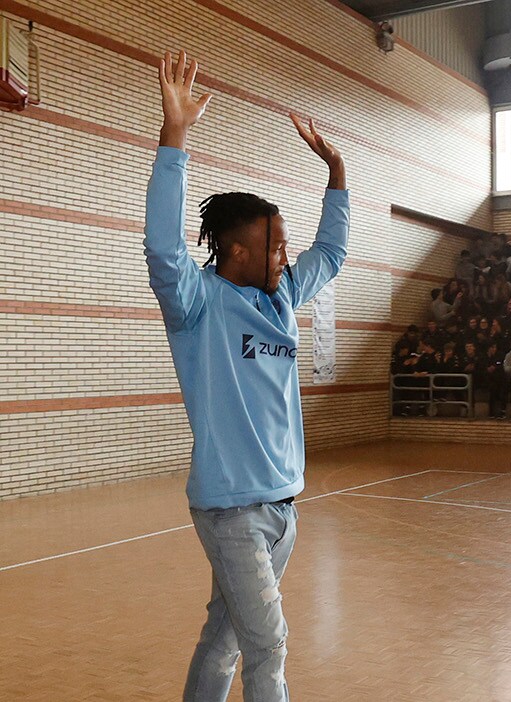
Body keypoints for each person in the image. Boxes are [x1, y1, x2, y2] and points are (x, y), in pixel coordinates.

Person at [147, 51, 348, 702]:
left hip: (284, 506)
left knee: (226, 636)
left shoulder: (283, 295)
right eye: (275, 244)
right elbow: (162, 247)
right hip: (231, 508)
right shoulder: (197, 303)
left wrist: (337, 170)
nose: (286, 255)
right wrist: (174, 135)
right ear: (236, 250)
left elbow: (333, 253)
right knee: (269, 645)